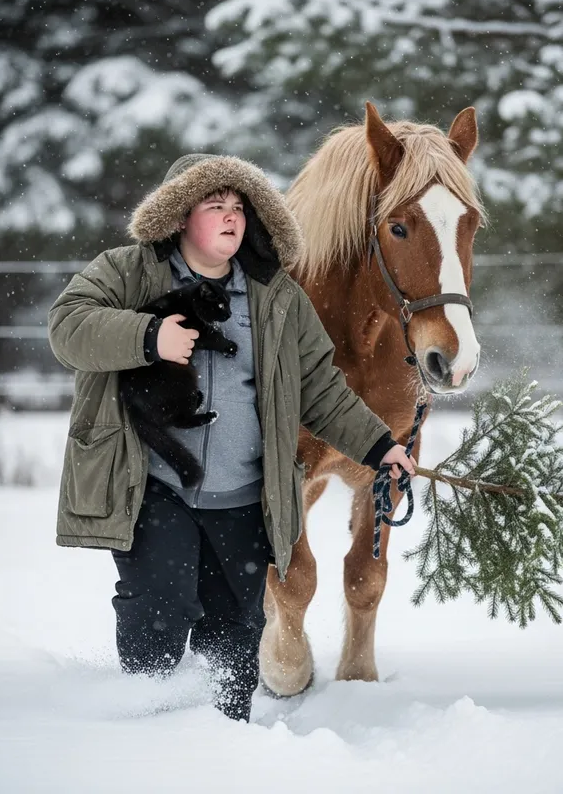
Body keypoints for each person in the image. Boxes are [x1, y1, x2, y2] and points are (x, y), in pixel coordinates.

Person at [48, 154, 415, 722]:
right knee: (160, 612)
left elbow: (322, 385)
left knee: (236, 633)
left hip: (245, 499)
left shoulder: (277, 297)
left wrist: (379, 446)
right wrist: (148, 336)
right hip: (156, 486)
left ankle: (223, 744)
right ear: (177, 217)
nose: (230, 218)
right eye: (214, 206)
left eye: (239, 208)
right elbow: (68, 326)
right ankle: (146, 729)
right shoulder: (128, 272)